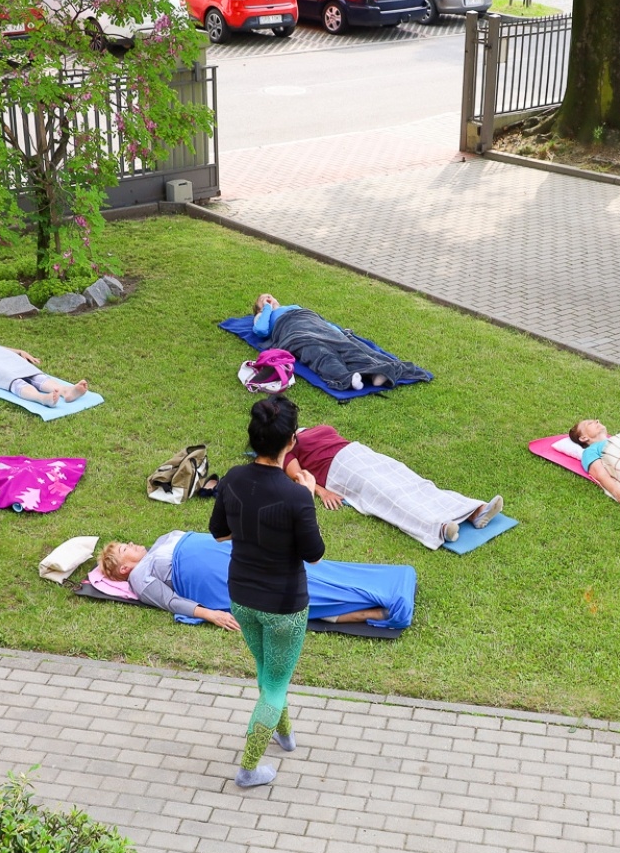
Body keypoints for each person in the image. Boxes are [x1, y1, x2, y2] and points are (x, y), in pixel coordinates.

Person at [209, 394, 325, 789]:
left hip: (241, 597)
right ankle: (248, 769)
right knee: (274, 683)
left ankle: (285, 735)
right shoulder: (296, 494)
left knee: (269, 672)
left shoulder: (231, 479)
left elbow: (220, 533)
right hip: (284, 606)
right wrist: (307, 496)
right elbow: (314, 555)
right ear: (291, 440)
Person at [97, 531, 412, 629]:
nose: (132, 545)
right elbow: (170, 601)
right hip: (217, 579)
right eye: (125, 550)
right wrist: (209, 614)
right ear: (123, 569)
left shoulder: (161, 541)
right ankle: (377, 608)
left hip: (234, 552)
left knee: (304, 569)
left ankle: (384, 583)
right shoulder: (140, 577)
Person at [281, 423, 503, 548]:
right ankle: (439, 527)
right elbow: (299, 475)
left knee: (412, 481)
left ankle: (475, 511)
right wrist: (322, 491)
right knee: (389, 495)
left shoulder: (314, 429)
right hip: (340, 470)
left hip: (358, 453)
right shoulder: (286, 449)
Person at [250, 293, 431, 393]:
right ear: (259, 307)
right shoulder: (262, 315)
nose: (270, 298)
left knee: (348, 348)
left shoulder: (292, 306)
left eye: (271, 296)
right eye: (264, 298)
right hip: (294, 331)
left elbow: (320, 320)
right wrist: (265, 308)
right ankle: (346, 378)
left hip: (315, 324)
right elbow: (261, 330)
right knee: (319, 352)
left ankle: (377, 373)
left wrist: (339, 333)